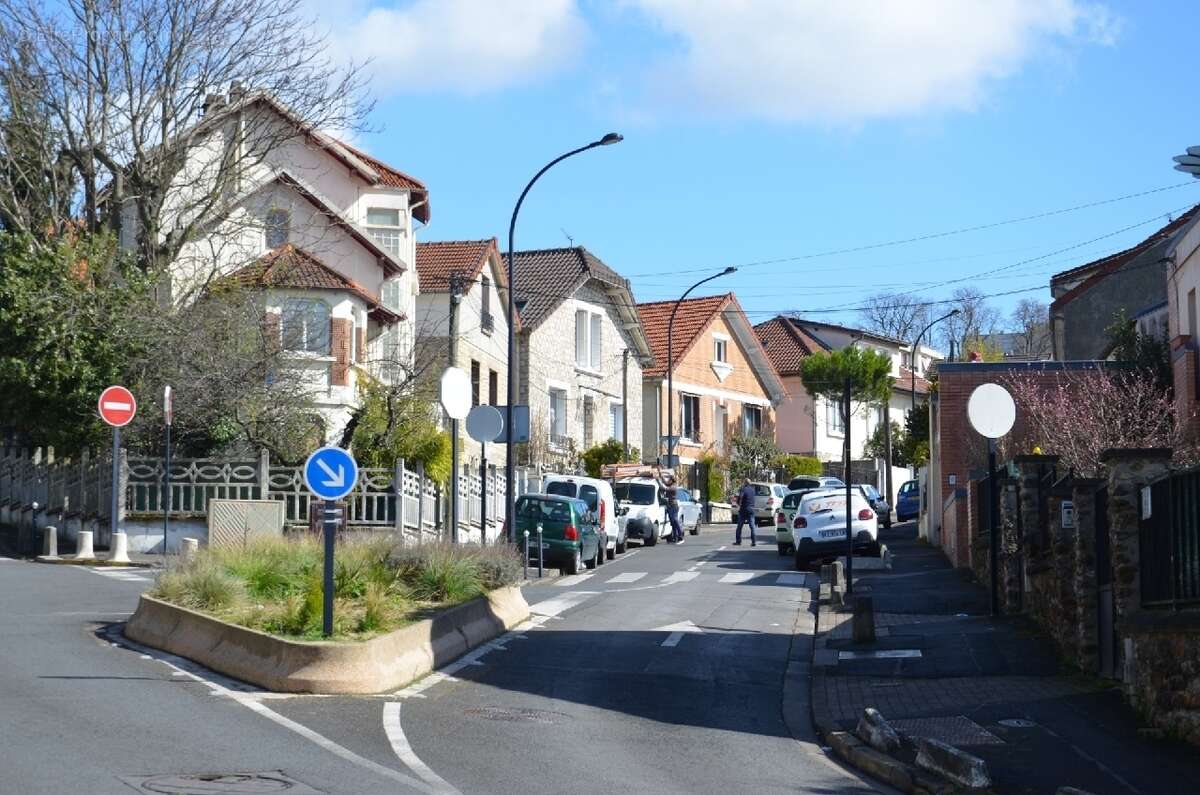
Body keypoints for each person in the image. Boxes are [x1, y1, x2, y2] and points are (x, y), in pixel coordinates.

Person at [734, 478, 757, 546]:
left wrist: (738, 503)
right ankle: (754, 541)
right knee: (752, 526)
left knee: (739, 526)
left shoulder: (743, 489)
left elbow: (741, 496)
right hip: (751, 509)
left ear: (745, 483)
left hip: (743, 509)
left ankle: (738, 541)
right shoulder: (753, 490)